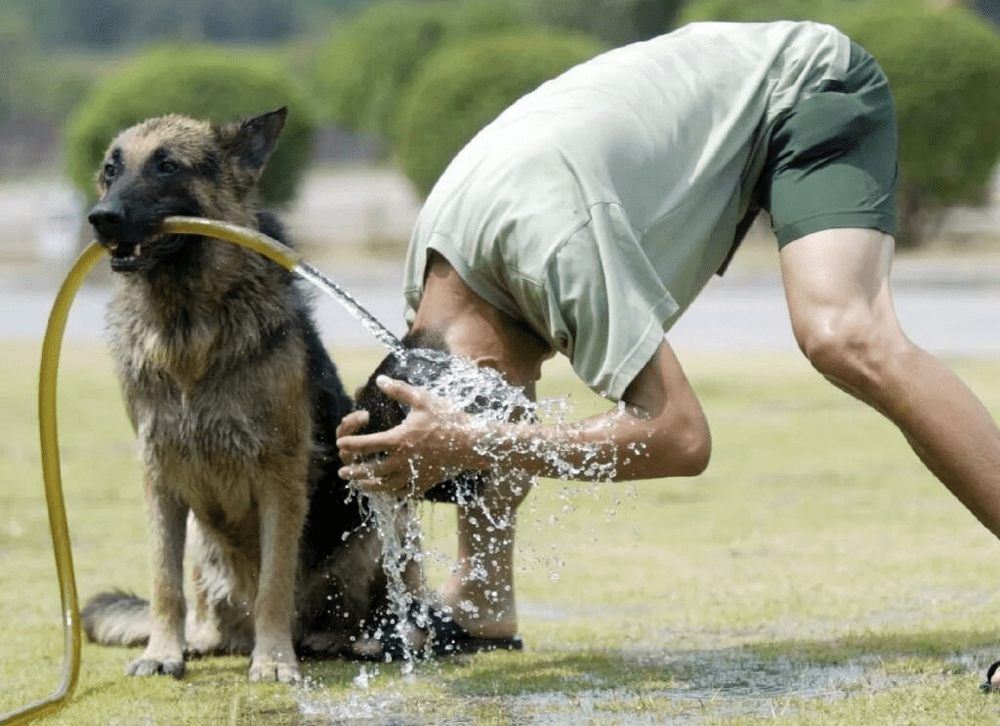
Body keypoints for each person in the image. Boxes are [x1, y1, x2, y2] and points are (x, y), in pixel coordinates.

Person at [336, 20, 1000, 655]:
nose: (506, 429)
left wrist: (472, 439)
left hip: (806, 85)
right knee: (487, 422)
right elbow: (486, 412)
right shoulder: (436, 292)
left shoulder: (556, 251)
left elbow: (681, 436)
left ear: (476, 363)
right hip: (715, 103)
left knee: (844, 334)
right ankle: (481, 597)